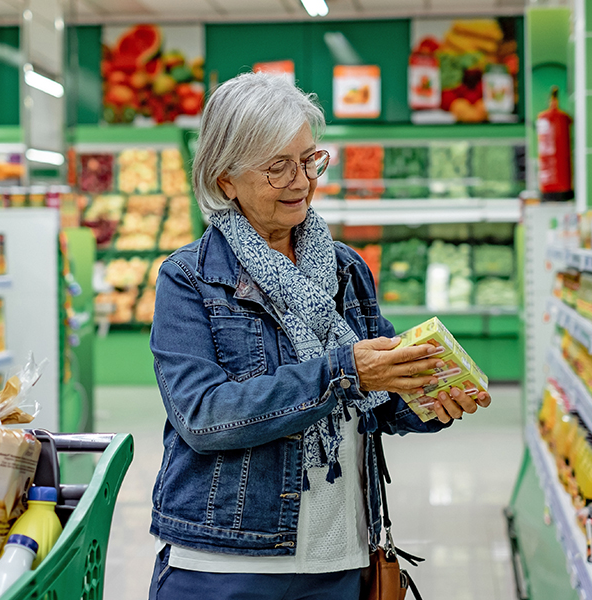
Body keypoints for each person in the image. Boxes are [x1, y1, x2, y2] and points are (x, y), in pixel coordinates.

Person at [147, 72, 492, 600]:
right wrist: (344, 373)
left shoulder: (345, 269)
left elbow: (377, 404)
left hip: (341, 556)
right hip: (226, 562)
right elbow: (204, 417)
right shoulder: (190, 278)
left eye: (309, 160)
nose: (302, 181)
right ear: (225, 181)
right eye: (276, 167)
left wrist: (430, 400)